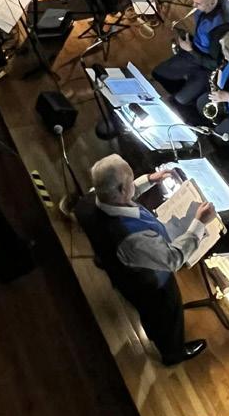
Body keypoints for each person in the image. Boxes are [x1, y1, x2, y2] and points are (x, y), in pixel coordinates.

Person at [82, 155, 213, 365]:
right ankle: (173, 353)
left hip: (114, 259)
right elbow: (173, 259)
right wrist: (199, 223)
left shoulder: (90, 199)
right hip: (148, 282)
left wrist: (150, 179)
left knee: (149, 309)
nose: (133, 182)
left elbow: (121, 195)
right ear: (122, 190)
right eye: (130, 179)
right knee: (166, 314)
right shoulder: (132, 238)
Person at [152, 0, 229, 108]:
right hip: (195, 52)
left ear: (211, 2)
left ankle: (189, 103)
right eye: (194, 1)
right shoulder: (211, 2)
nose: (194, 5)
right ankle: (182, 88)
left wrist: (190, 50)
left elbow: (216, 64)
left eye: (198, 3)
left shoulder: (222, 30)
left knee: (180, 100)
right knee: (157, 73)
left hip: (207, 67)